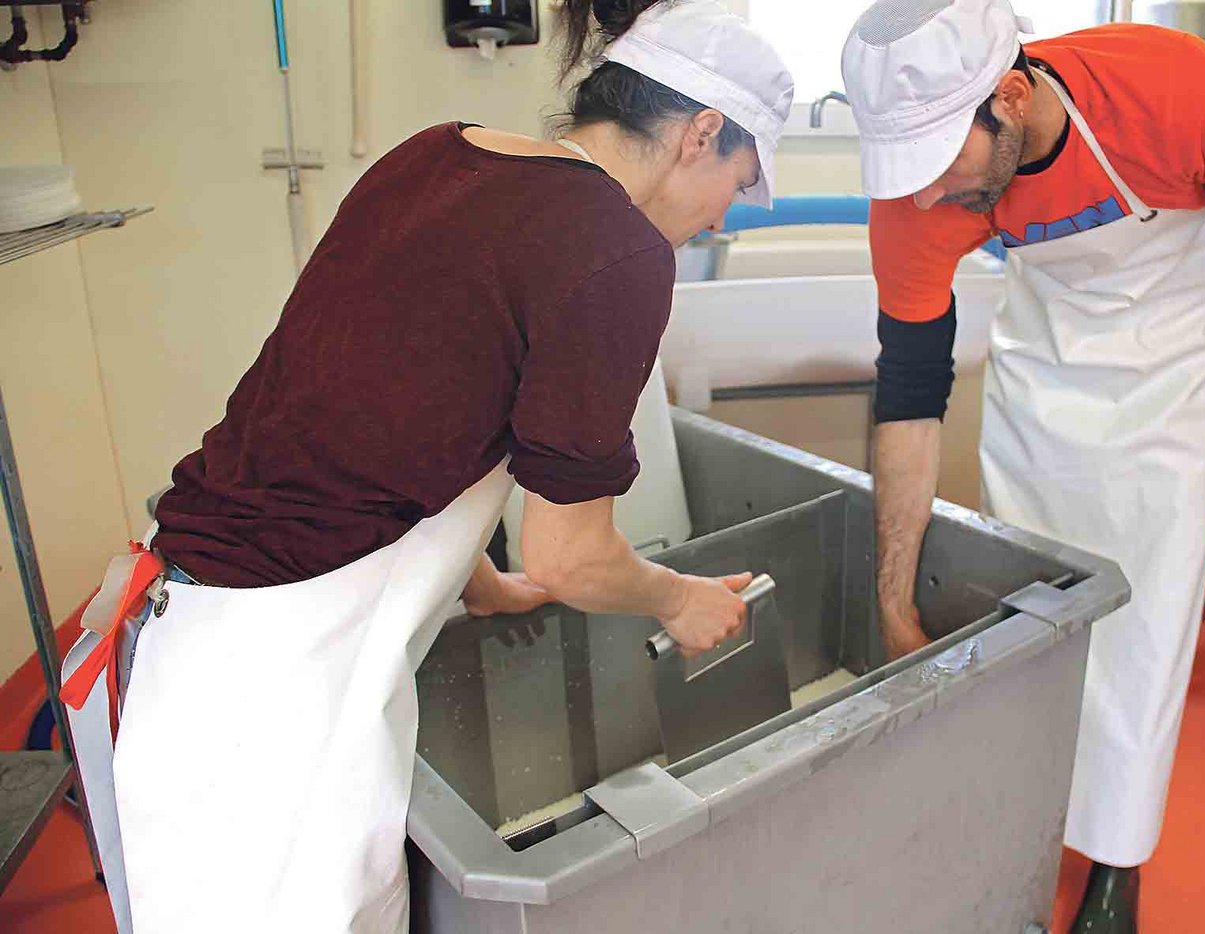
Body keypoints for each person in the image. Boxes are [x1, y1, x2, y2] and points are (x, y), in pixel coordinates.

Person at [59, 2, 793, 930]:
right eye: (738, 182)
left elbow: (390, 400)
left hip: (190, 636)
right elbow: (571, 556)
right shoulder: (618, 253)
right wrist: (679, 599)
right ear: (701, 132)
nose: (725, 213)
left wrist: (479, 582)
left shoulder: (440, 153)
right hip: (284, 692)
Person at [840, 1, 1205, 929]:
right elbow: (908, 399)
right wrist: (894, 605)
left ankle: (1117, 858)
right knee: (1036, 610)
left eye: (944, 164)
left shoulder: (1174, 85)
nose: (928, 196)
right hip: (1045, 371)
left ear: (1011, 99)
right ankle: (1027, 811)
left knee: (1145, 620)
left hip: (1175, 364)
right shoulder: (918, 200)